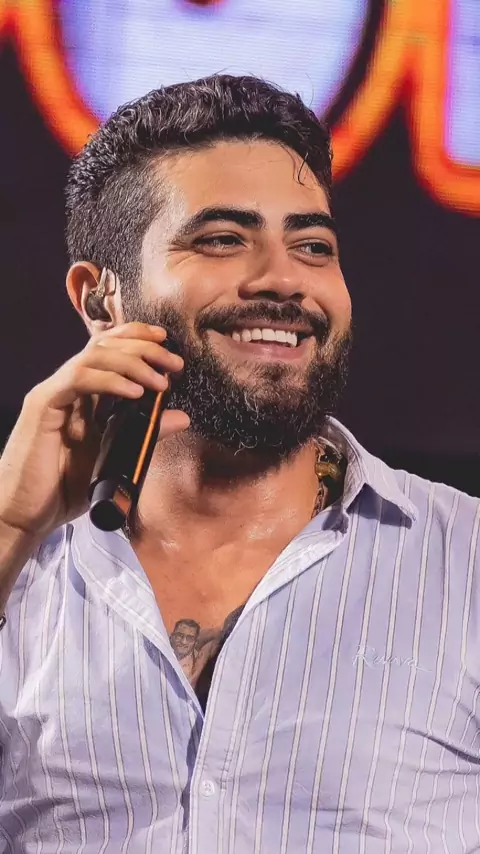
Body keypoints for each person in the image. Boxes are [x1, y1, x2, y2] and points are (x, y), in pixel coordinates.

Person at [0, 74, 478, 854]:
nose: (285, 280)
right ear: (99, 300)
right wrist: (9, 526)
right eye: (222, 239)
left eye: (313, 246)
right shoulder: (19, 568)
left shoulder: (467, 560)